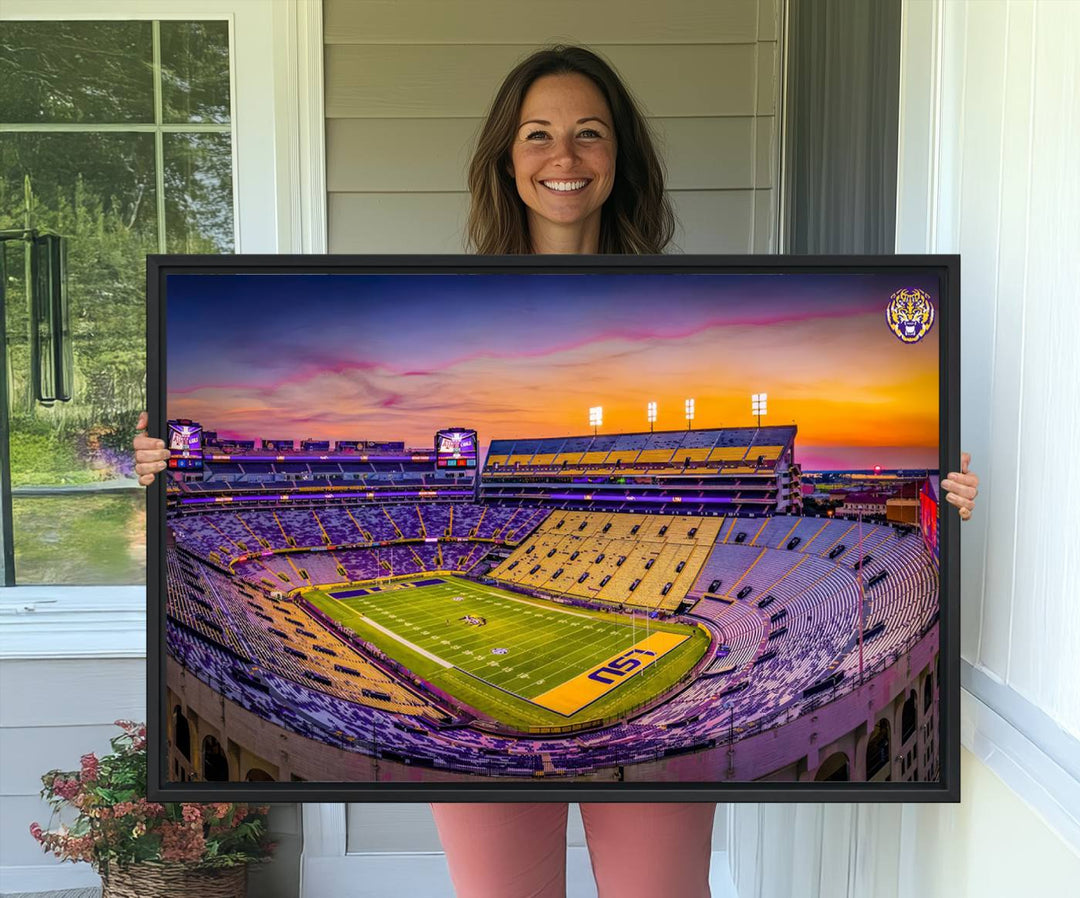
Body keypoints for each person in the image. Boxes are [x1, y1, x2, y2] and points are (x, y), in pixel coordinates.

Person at [134, 44, 980, 898]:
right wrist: (161, 469)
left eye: (589, 134)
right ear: (507, 158)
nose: (563, 157)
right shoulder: (453, 304)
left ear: (620, 159)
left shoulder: (678, 306)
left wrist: (941, 493)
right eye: (538, 134)